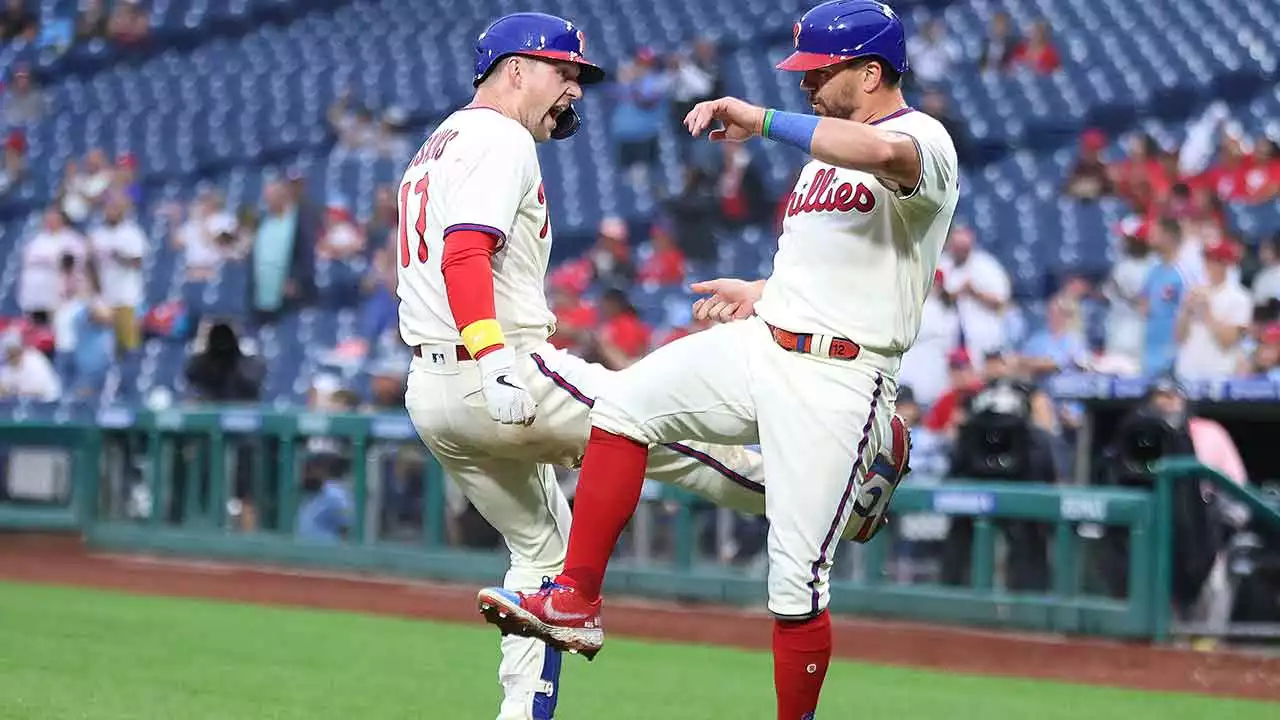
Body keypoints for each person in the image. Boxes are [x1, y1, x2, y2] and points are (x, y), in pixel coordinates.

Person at [477, 5, 954, 719]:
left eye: (820, 74)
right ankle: (574, 600)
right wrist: (764, 292)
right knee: (623, 403)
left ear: (871, 71)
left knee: (795, 584)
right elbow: (840, 265)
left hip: (840, 376)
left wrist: (758, 120)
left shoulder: (924, 139)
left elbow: (887, 159)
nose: (806, 85)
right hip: (769, 341)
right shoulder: (827, 157)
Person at [394, 14, 856, 720]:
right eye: (563, 71)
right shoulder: (499, 137)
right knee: (643, 417)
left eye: (577, 76)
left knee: (541, 556)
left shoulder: (438, 143)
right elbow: (465, 255)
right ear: (515, 70)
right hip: (499, 366)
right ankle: (828, 498)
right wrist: (494, 359)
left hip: (431, 396)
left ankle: (521, 714)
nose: (574, 88)